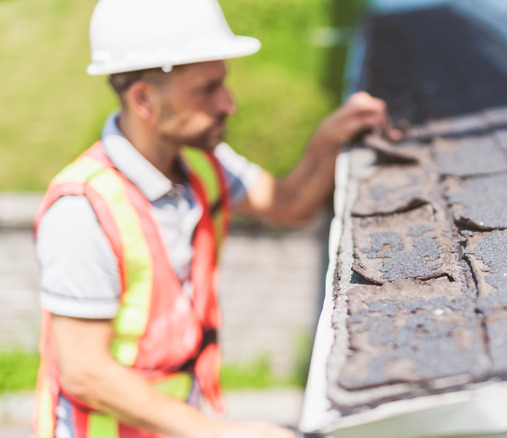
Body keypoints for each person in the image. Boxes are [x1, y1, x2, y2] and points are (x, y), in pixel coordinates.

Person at [32, 0, 401, 437]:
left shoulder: (206, 164)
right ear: (145, 99)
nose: (229, 104)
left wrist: (330, 138)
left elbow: (289, 204)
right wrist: (220, 432)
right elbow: (84, 371)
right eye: (207, 90)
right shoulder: (84, 208)